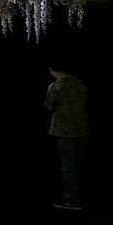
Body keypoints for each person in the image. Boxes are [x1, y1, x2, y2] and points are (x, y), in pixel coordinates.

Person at [45, 58, 89, 210]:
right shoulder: (78, 83)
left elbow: (48, 106)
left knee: (68, 165)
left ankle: (73, 198)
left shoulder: (55, 87)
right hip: (82, 129)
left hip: (65, 131)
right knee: (79, 163)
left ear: (53, 70)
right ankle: (77, 192)